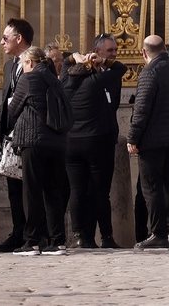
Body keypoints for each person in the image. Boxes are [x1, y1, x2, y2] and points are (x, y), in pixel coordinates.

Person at [127, 34, 169, 250]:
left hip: (152, 141)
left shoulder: (150, 72)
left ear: (144, 53)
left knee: (152, 188)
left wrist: (133, 137)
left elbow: (141, 109)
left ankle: (158, 233)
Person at [63, 33, 124, 248]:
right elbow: (121, 69)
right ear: (96, 54)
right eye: (110, 51)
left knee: (78, 191)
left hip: (72, 142)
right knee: (99, 191)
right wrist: (102, 63)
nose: (114, 54)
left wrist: (76, 57)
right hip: (98, 142)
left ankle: (82, 236)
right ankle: (106, 236)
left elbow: (65, 61)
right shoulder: (98, 80)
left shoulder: (66, 80)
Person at [7, 45, 68, 256]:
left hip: (33, 141)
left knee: (31, 192)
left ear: (30, 62)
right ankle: (57, 241)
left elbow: (13, 109)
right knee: (53, 192)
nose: (23, 68)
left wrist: (0, 127)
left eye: (23, 64)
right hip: (56, 142)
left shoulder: (29, 78)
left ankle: (32, 241)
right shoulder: (54, 78)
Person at [0, 18, 34, 252]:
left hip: (30, 133)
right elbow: (6, 101)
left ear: (19, 38)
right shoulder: (9, 66)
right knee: (14, 188)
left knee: (30, 188)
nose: (2, 42)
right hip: (11, 135)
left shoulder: (36, 61)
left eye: (5, 38)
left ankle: (33, 235)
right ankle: (19, 232)